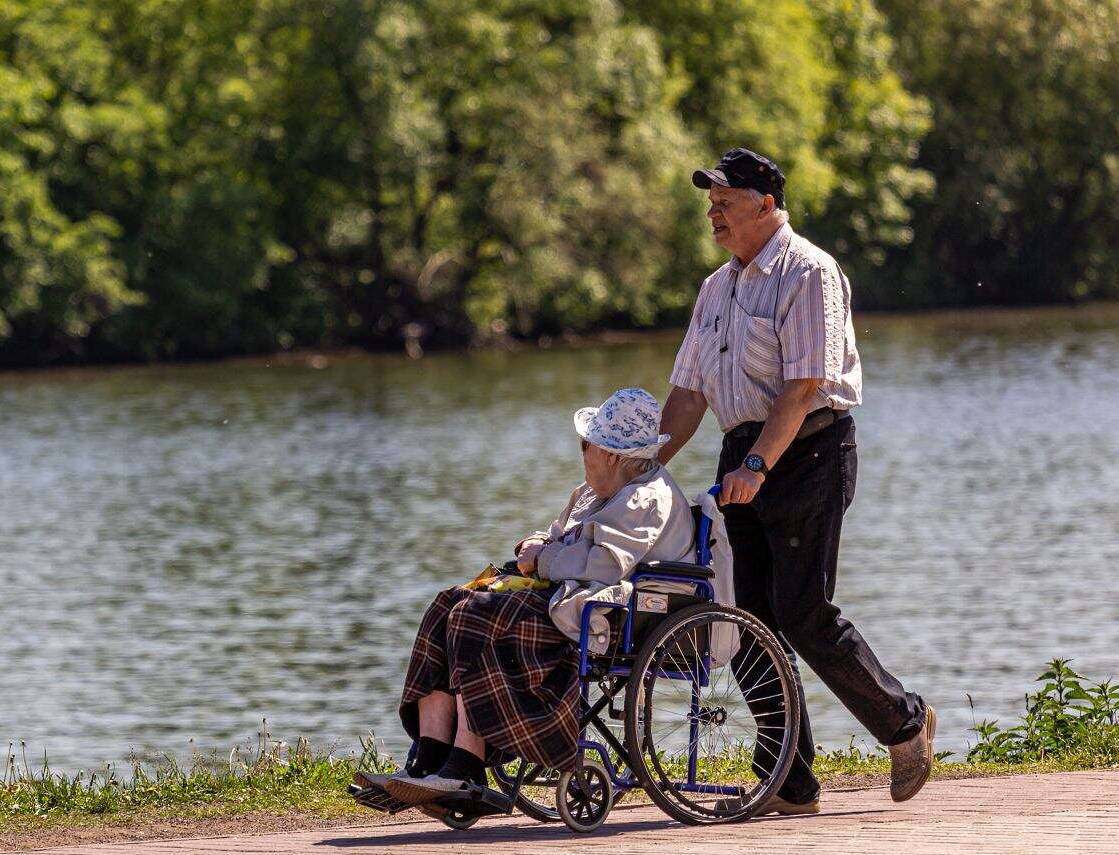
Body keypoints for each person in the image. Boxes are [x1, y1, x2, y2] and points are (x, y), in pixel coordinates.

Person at [658, 147, 935, 815]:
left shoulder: (809, 272)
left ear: (766, 205)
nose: (713, 211)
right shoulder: (716, 287)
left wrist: (759, 466)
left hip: (807, 449)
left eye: (725, 200)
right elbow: (688, 395)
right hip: (742, 452)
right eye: (711, 201)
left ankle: (903, 722)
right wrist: (639, 466)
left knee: (804, 612)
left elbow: (802, 385)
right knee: (748, 620)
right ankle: (791, 777)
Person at [359, 388, 697, 810]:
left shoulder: (646, 497)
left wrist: (545, 560)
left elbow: (606, 564)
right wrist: (536, 544)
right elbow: (560, 539)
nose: (583, 452)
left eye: (585, 445)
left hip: (612, 615)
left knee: (476, 615)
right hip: (571, 599)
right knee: (449, 604)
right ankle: (430, 757)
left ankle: (465, 762)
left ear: (611, 455)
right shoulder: (592, 492)